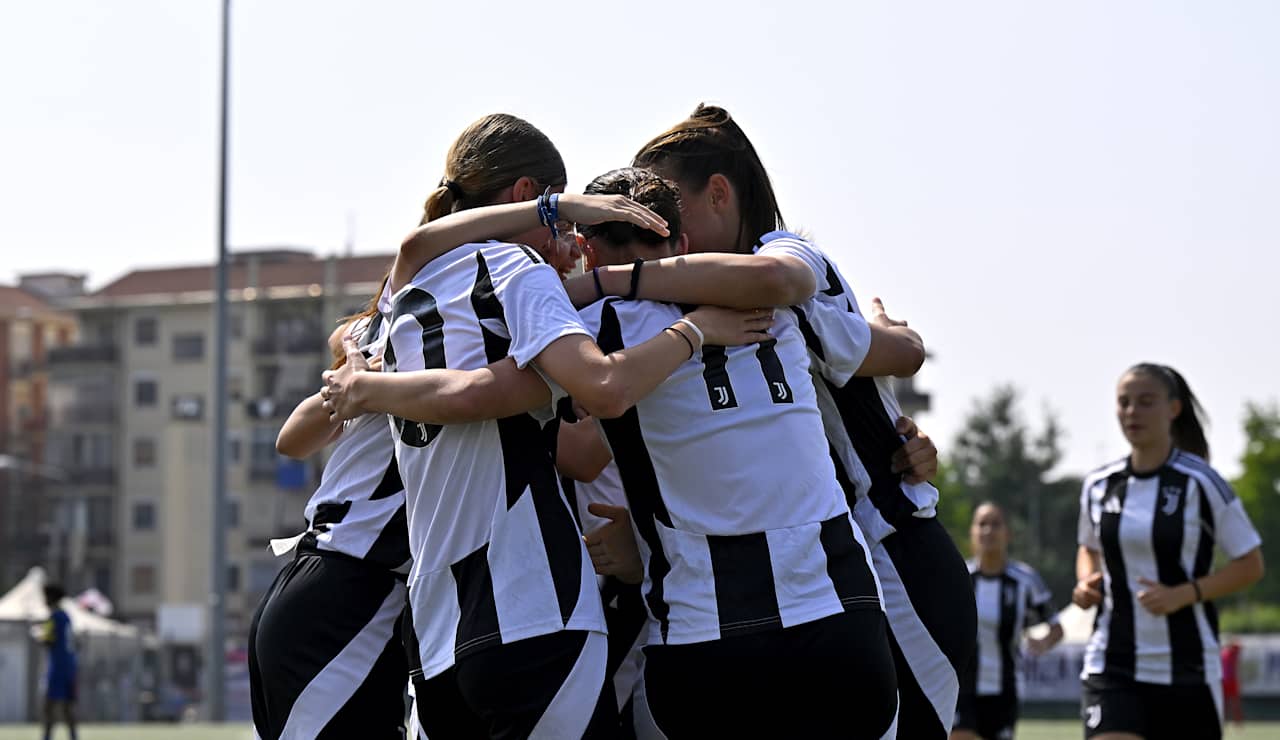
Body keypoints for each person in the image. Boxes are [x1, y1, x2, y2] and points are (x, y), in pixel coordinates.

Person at [327, 165, 899, 738]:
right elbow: (894, 353)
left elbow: (513, 403)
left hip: (704, 633)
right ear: (682, 243)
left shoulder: (593, 323)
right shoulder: (782, 301)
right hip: (844, 615)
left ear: (587, 249)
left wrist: (370, 388)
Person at [342, 113, 769, 740]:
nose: (570, 238)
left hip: (435, 631)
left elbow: (417, 255)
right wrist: (694, 330)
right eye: (565, 220)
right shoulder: (520, 272)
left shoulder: (407, 286)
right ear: (527, 196)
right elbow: (602, 389)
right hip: (530, 605)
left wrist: (370, 388)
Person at [565, 103, 970, 738]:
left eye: (670, 208)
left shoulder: (776, 266)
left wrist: (602, 282)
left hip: (889, 544)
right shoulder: (704, 301)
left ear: (718, 194)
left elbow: (898, 350)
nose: (671, 232)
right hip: (824, 590)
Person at [247, 296, 413, 740]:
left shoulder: (390, 343)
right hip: (351, 594)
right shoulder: (439, 332)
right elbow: (290, 439)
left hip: (320, 581)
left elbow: (340, 337)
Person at [1073, 363, 1265, 740]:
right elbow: (1088, 547)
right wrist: (1086, 581)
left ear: (1173, 409)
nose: (1132, 412)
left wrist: (1184, 594)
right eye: (1124, 402)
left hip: (1188, 667)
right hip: (1112, 662)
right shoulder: (1099, 485)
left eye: (1146, 402)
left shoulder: (1202, 483)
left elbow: (1250, 564)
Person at [952, 502, 1063, 740]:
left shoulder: (1025, 580)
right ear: (972, 532)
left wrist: (1043, 643)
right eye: (982, 524)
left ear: (1008, 534)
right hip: (962, 687)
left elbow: (1057, 627)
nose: (988, 531)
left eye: (996, 524)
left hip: (1005, 689)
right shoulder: (959, 578)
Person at [40, 584, 78, 740]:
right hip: (70, 666)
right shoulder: (66, 616)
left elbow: (47, 640)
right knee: (68, 708)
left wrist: (39, 636)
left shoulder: (53, 617)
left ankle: (46, 737)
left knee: (49, 706)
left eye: (45, 597)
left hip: (58, 667)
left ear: (51, 598)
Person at [1220, 638, 1243, 727]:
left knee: (1235, 703)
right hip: (1224, 681)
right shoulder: (1223, 653)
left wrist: (1232, 643)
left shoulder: (1233, 653)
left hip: (1232, 680)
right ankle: (1223, 721)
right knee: (1224, 704)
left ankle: (1238, 722)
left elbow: (1239, 646)